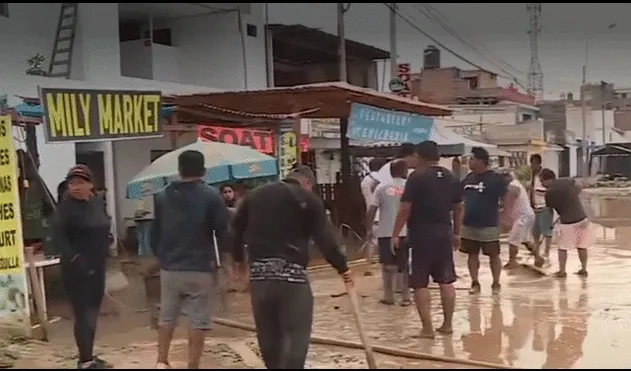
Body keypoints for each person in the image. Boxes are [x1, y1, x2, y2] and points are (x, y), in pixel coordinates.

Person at [231, 165, 352, 369]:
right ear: (307, 183)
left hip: (260, 278)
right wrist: (343, 268)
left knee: (268, 336)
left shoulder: (254, 196)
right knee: (296, 336)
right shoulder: (308, 199)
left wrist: (239, 263)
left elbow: (234, 230)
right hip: (292, 278)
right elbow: (326, 241)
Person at [151, 150, 230, 369]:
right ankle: (192, 365)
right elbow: (223, 232)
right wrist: (229, 265)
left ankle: (161, 361)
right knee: (198, 320)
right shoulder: (211, 196)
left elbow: (154, 234)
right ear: (203, 171)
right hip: (201, 268)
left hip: (170, 268)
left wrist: (161, 257)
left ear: (180, 170)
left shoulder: (162, 196)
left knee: (167, 317)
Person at [391, 141, 462, 339]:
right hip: (445, 232)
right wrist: (457, 233)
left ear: (419, 156)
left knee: (420, 283)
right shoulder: (450, 177)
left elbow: (405, 208)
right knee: (446, 280)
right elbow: (458, 207)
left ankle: (428, 329)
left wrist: (395, 234)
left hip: (421, 234)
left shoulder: (416, 177)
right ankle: (447, 325)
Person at [53, 165, 111, 369]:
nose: (75, 187)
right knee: (83, 314)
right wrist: (77, 259)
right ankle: (84, 361)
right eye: (72, 183)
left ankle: (89, 355)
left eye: (80, 182)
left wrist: (107, 241)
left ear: (90, 185)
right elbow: (58, 240)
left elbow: (104, 225)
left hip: (98, 266)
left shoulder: (97, 203)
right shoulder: (66, 208)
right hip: (77, 269)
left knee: (94, 312)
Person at [460, 147, 508, 295]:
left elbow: (508, 196)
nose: (469, 162)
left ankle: (496, 283)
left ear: (481, 161)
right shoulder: (469, 178)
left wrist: (506, 218)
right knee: (472, 254)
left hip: (489, 224)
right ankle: (475, 283)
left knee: (494, 254)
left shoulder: (494, 179)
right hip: (469, 224)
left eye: (472, 159)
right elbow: (459, 198)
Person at [366, 159, 410, 306]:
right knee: (403, 266)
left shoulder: (381, 187)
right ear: (404, 171)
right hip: (404, 232)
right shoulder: (409, 187)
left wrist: (368, 229)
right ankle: (405, 297)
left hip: (385, 232)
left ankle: (389, 296)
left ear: (391, 171)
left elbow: (372, 210)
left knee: (387, 265)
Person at [539, 169, 590, 278]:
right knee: (582, 246)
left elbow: (549, 211)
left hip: (567, 222)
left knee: (562, 247)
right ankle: (584, 269)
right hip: (582, 218)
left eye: (542, 181)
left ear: (547, 179)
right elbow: (579, 185)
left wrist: (549, 225)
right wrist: (574, 195)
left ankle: (562, 271)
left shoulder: (549, 193)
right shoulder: (567, 180)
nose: (541, 184)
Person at [499, 169, 540, 269]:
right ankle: (538, 257)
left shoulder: (512, 186)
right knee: (525, 240)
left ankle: (512, 261)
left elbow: (508, 205)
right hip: (528, 215)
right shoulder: (516, 184)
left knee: (512, 240)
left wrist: (506, 220)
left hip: (523, 217)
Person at [360, 158, 385, 276]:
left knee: (371, 241)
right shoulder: (381, 180)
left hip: (371, 214)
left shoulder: (365, 180)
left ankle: (368, 266)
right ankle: (387, 266)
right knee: (386, 242)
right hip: (383, 215)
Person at [530, 154, 553, 258]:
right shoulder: (531, 175)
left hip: (544, 206)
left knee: (546, 231)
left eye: (534, 163)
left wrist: (534, 190)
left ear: (539, 163)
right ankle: (537, 251)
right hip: (534, 207)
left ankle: (547, 251)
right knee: (535, 231)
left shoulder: (545, 175)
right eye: (531, 163)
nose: (532, 166)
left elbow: (549, 190)